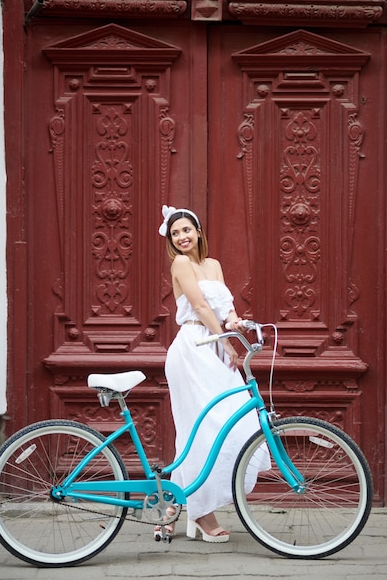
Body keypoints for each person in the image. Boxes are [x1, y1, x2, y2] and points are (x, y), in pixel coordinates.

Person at [157, 205, 270, 543]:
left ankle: (173, 510)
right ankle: (202, 513)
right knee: (200, 429)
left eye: (186, 230)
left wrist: (235, 321)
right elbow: (203, 308)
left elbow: (223, 306)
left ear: (198, 231)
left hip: (215, 343)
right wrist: (232, 347)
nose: (182, 237)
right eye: (175, 233)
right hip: (193, 346)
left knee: (232, 420)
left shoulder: (213, 264)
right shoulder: (180, 264)